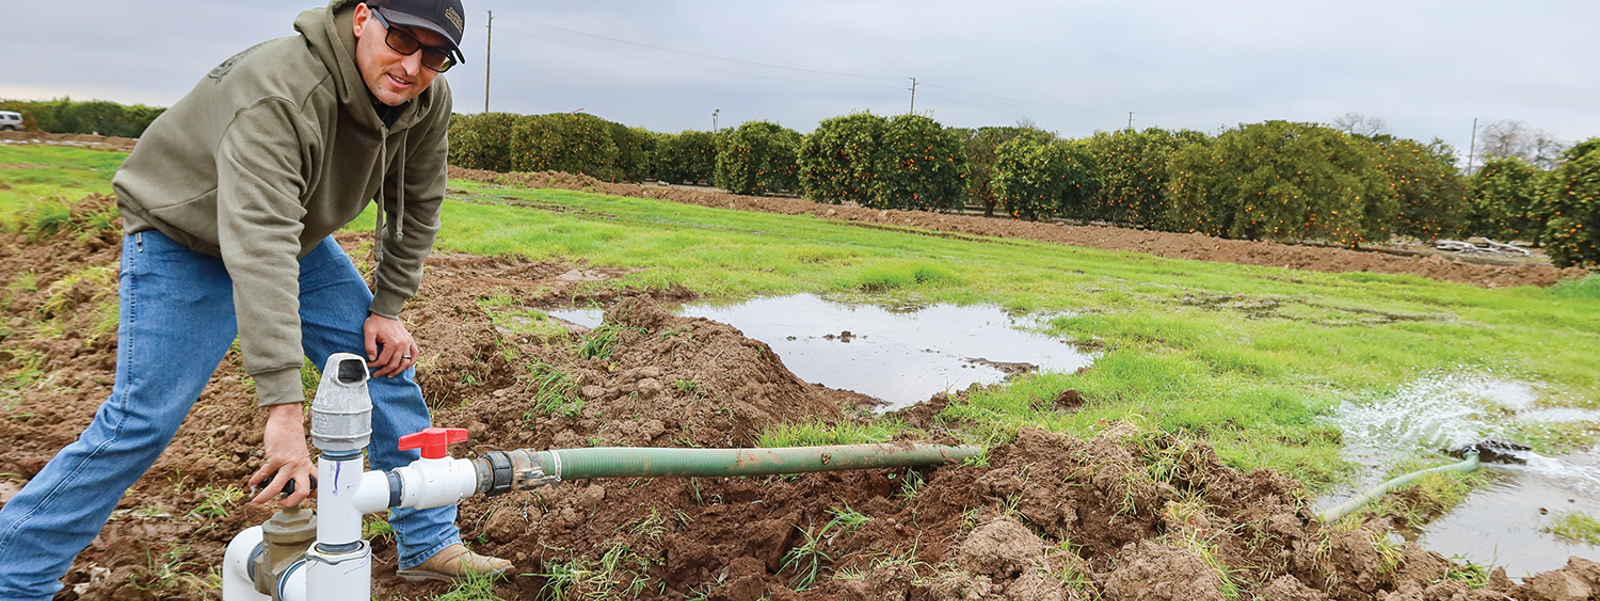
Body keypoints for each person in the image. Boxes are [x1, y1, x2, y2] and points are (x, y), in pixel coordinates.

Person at [0, 0, 512, 597]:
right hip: (185, 234)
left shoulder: (425, 98)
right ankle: (15, 572)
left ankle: (429, 541)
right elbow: (260, 246)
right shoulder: (280, 92)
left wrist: (387, 308)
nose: (412, 65)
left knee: (386, 363)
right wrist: (284, 411)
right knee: (142, 419)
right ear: (363, 17)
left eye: (435, 54)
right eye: (401, 38)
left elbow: (416, 205)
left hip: (290, 231)